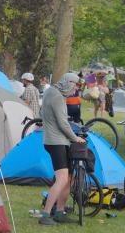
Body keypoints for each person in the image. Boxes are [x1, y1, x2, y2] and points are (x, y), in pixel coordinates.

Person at [38, 73, 86, 226]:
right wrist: (75, 138)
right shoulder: (57, 96)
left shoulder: (50, 92)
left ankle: (60, 212)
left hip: (54, 140)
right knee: (62, 179)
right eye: (75, 86)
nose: (75, 89)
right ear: (69, 82)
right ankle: (45, 214)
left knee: (68, 178)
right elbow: (62, 123)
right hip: (56, 141)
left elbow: (45, 114)